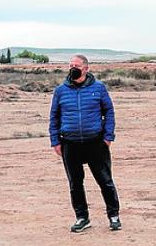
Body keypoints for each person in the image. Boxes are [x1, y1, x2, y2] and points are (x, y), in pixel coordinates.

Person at [48, 54, 120, 233]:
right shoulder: (61, 91)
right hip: (70, 144)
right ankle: (82, 217)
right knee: (75, 183)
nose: (73, 68)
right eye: (71, 65)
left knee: (105, 181)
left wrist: (108, 137)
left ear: (86, 68)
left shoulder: (98, 88)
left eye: (77, 65)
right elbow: (54, 116)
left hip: (95, 142)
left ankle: (114, 215)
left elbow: (109, 111)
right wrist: (55, 141)